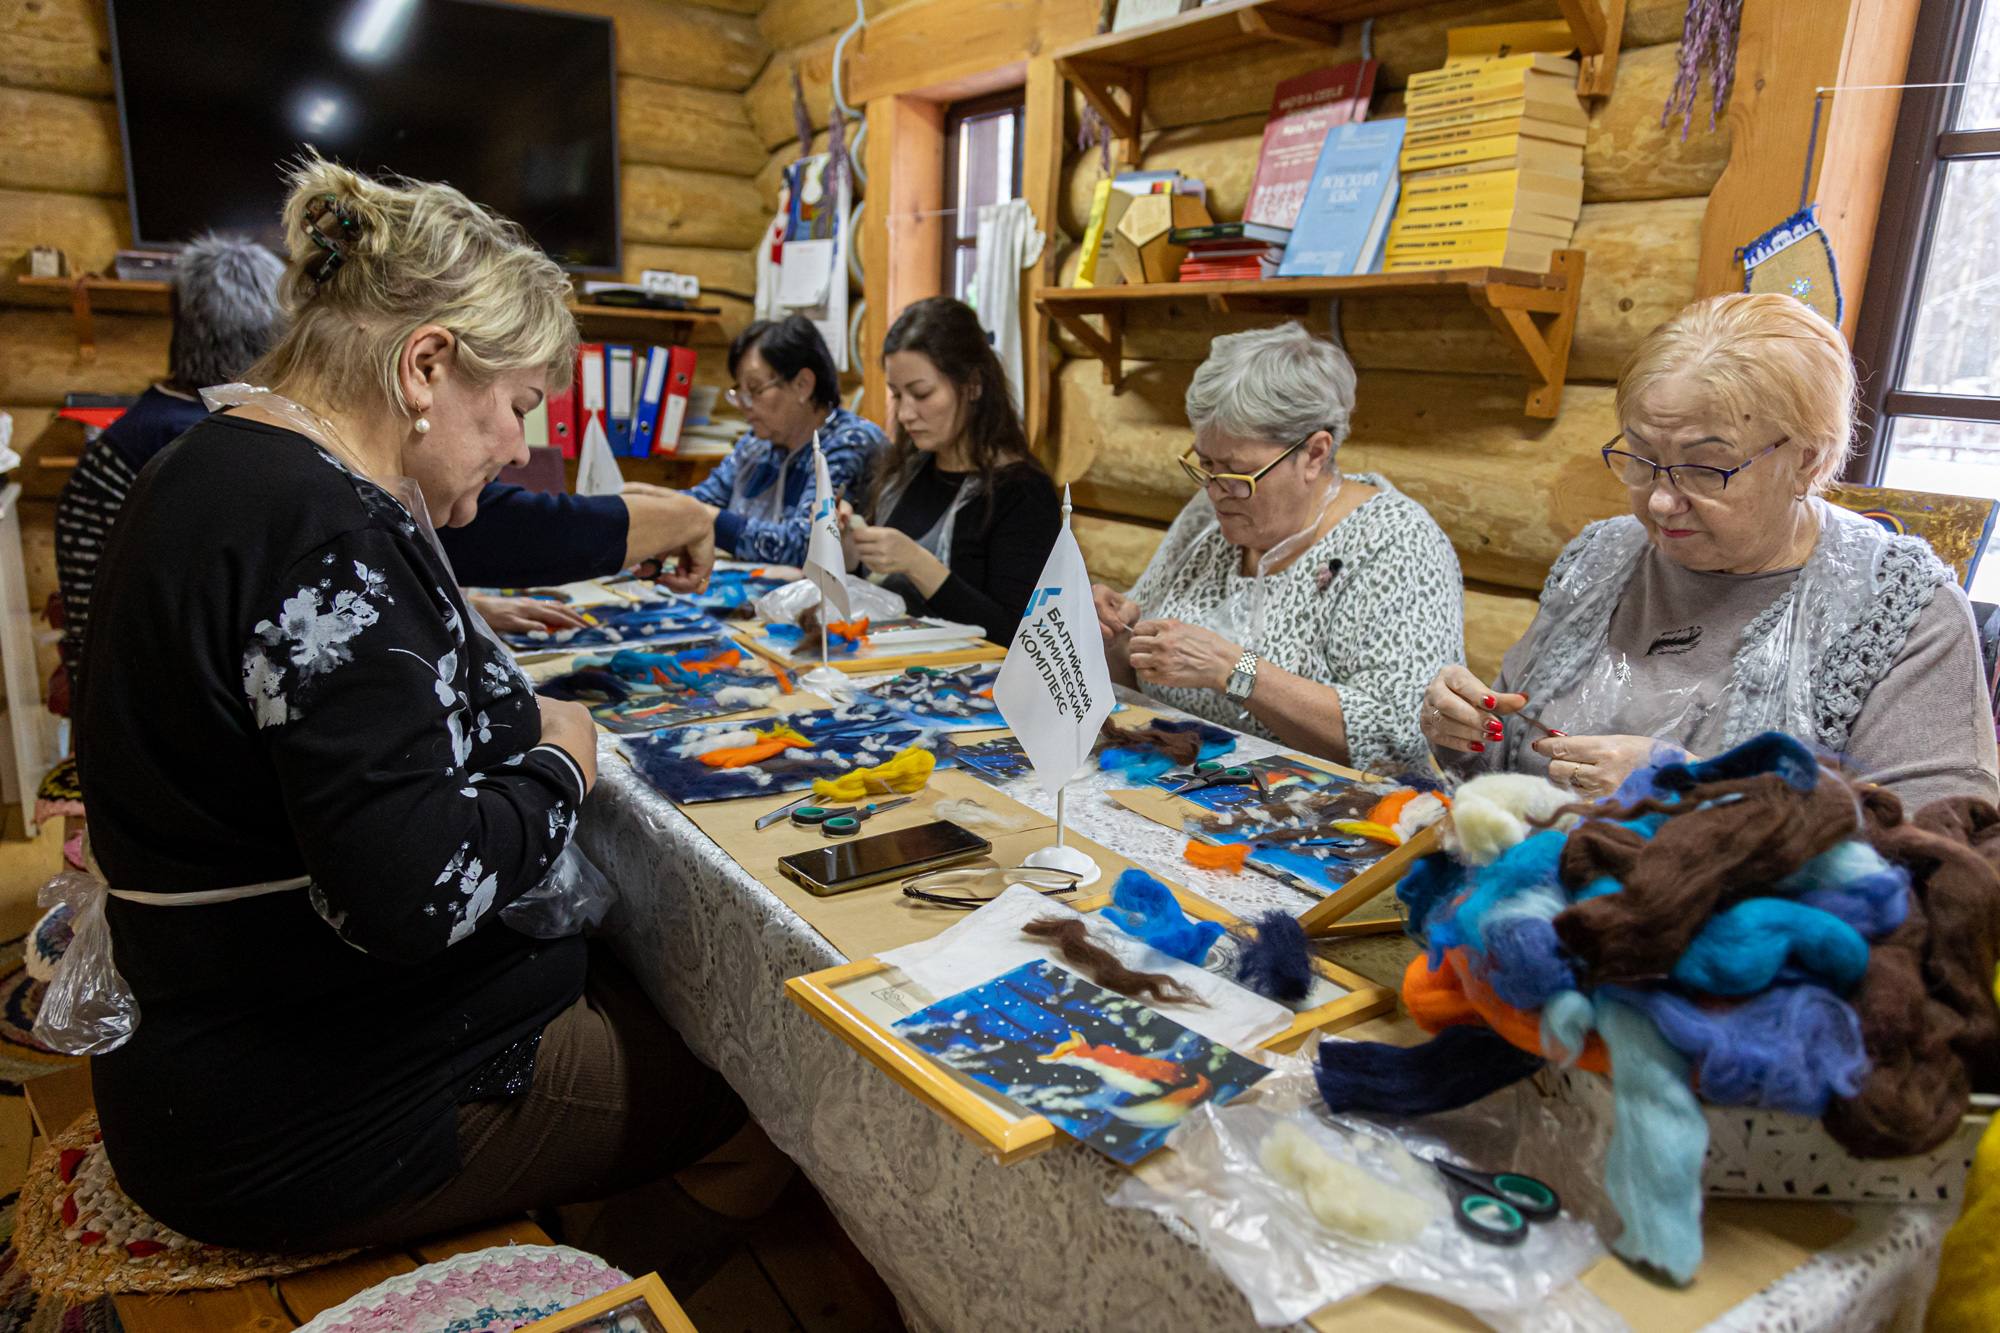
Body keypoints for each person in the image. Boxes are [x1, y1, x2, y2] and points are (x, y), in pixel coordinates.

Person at [74, 157, 778, 1272]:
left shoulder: (215, 461)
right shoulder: (327, 531)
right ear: (425, 364)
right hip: (295, 1108)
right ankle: (577, 1293)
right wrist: (561, 765)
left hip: (216, 1048)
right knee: (764, 1104)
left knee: (651, 989)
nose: (515, 448)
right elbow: (409, 896)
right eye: (515, 409)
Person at [1419, 292, 2000, 806]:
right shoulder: (1600, 561)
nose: (1662, 502)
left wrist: (1698, 792)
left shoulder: (1900, 612)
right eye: (1643, 458)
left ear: (1809, 461)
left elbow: (1943, 854)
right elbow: (1510, 763)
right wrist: (1466, 732)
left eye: (1706, 468)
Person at [1091, 323, 1464, 775]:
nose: (1214, 490)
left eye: (1237, 473)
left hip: (1329, 823)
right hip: (1182, 784)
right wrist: (1110, 633)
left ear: (1314, 454)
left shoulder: (1397, 542)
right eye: (1205, 464)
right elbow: (1137, 675)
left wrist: (1236, 670)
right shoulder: (1209, 517)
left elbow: (1396, 739)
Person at [54, 234, 286, 713]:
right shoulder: (197, 441)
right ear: (261, 335)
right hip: (139, 707)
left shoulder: (158, 417)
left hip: (116, 692)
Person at [833, 296, 1061, 646]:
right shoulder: (905, 471)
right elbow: (871, 588)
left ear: (973, 385)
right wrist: (849, 545)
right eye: (897, 395)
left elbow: (1018, 638)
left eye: (921, 394)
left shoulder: (1024, 493)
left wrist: (917, 563)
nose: (906, 413)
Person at [685, 313, 885, 564]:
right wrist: (660, 504)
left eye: (755, 389)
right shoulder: (756, 445)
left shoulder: (850, 441)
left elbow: (803, 546)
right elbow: (704, 498)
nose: (743, 405)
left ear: (802, 385)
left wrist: (699, 517)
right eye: (739, 392)